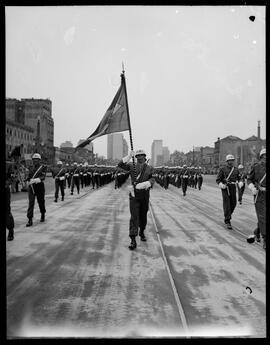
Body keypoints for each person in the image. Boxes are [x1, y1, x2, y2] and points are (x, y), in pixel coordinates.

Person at [118, 149, 155, 250]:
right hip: (134, 194)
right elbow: (120, 165)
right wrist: (128, 156)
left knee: (143, 215)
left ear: (144, 156)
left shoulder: (149, 168)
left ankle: (142, 231)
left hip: (144, 194)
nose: (139, 157)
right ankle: (133, 239)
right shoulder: (131, 165)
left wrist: (148, 183)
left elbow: (153, 178)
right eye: (137, 156)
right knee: (134, 217)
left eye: (141, 156)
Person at [247, 148, 266, 249]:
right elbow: (249, 179)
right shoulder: (256, 167)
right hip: (260, 194)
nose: (265, 158)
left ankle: (257, 231)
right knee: (263, 217)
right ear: (261, 157)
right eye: (264, 156)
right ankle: (265, 239)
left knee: (263, 218)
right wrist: (252, 187)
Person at [216, 154, 241, 229]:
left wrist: (240, 182)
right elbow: (218, 179)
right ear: (227, 161)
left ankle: (228, 215)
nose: (231, 162)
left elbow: (239, 178)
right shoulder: (222, 169)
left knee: (233, 203)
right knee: (227, 203)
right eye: (229, 160)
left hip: (233, 187)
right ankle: (228, 220)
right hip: (225, 187)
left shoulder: (236, 169)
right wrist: (221, 184)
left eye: (232, 160)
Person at [26, 153, 47, 227]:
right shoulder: (30, 167)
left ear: (39, 160)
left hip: (39, 186)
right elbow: (28, 176)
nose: (35, 161)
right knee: (31, 203)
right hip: (31, 187)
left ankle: (43, 213)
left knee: (41, 202)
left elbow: (43, 177)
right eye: (34, 159)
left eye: (36, 159)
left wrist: (35, 180)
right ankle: (30, 219)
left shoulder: (43, 167)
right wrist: (28, 179)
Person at [6, 161, 15, 241]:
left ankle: (10, 230)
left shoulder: (8, 165)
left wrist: (6, 183)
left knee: (6, 211)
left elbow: (12, 178)